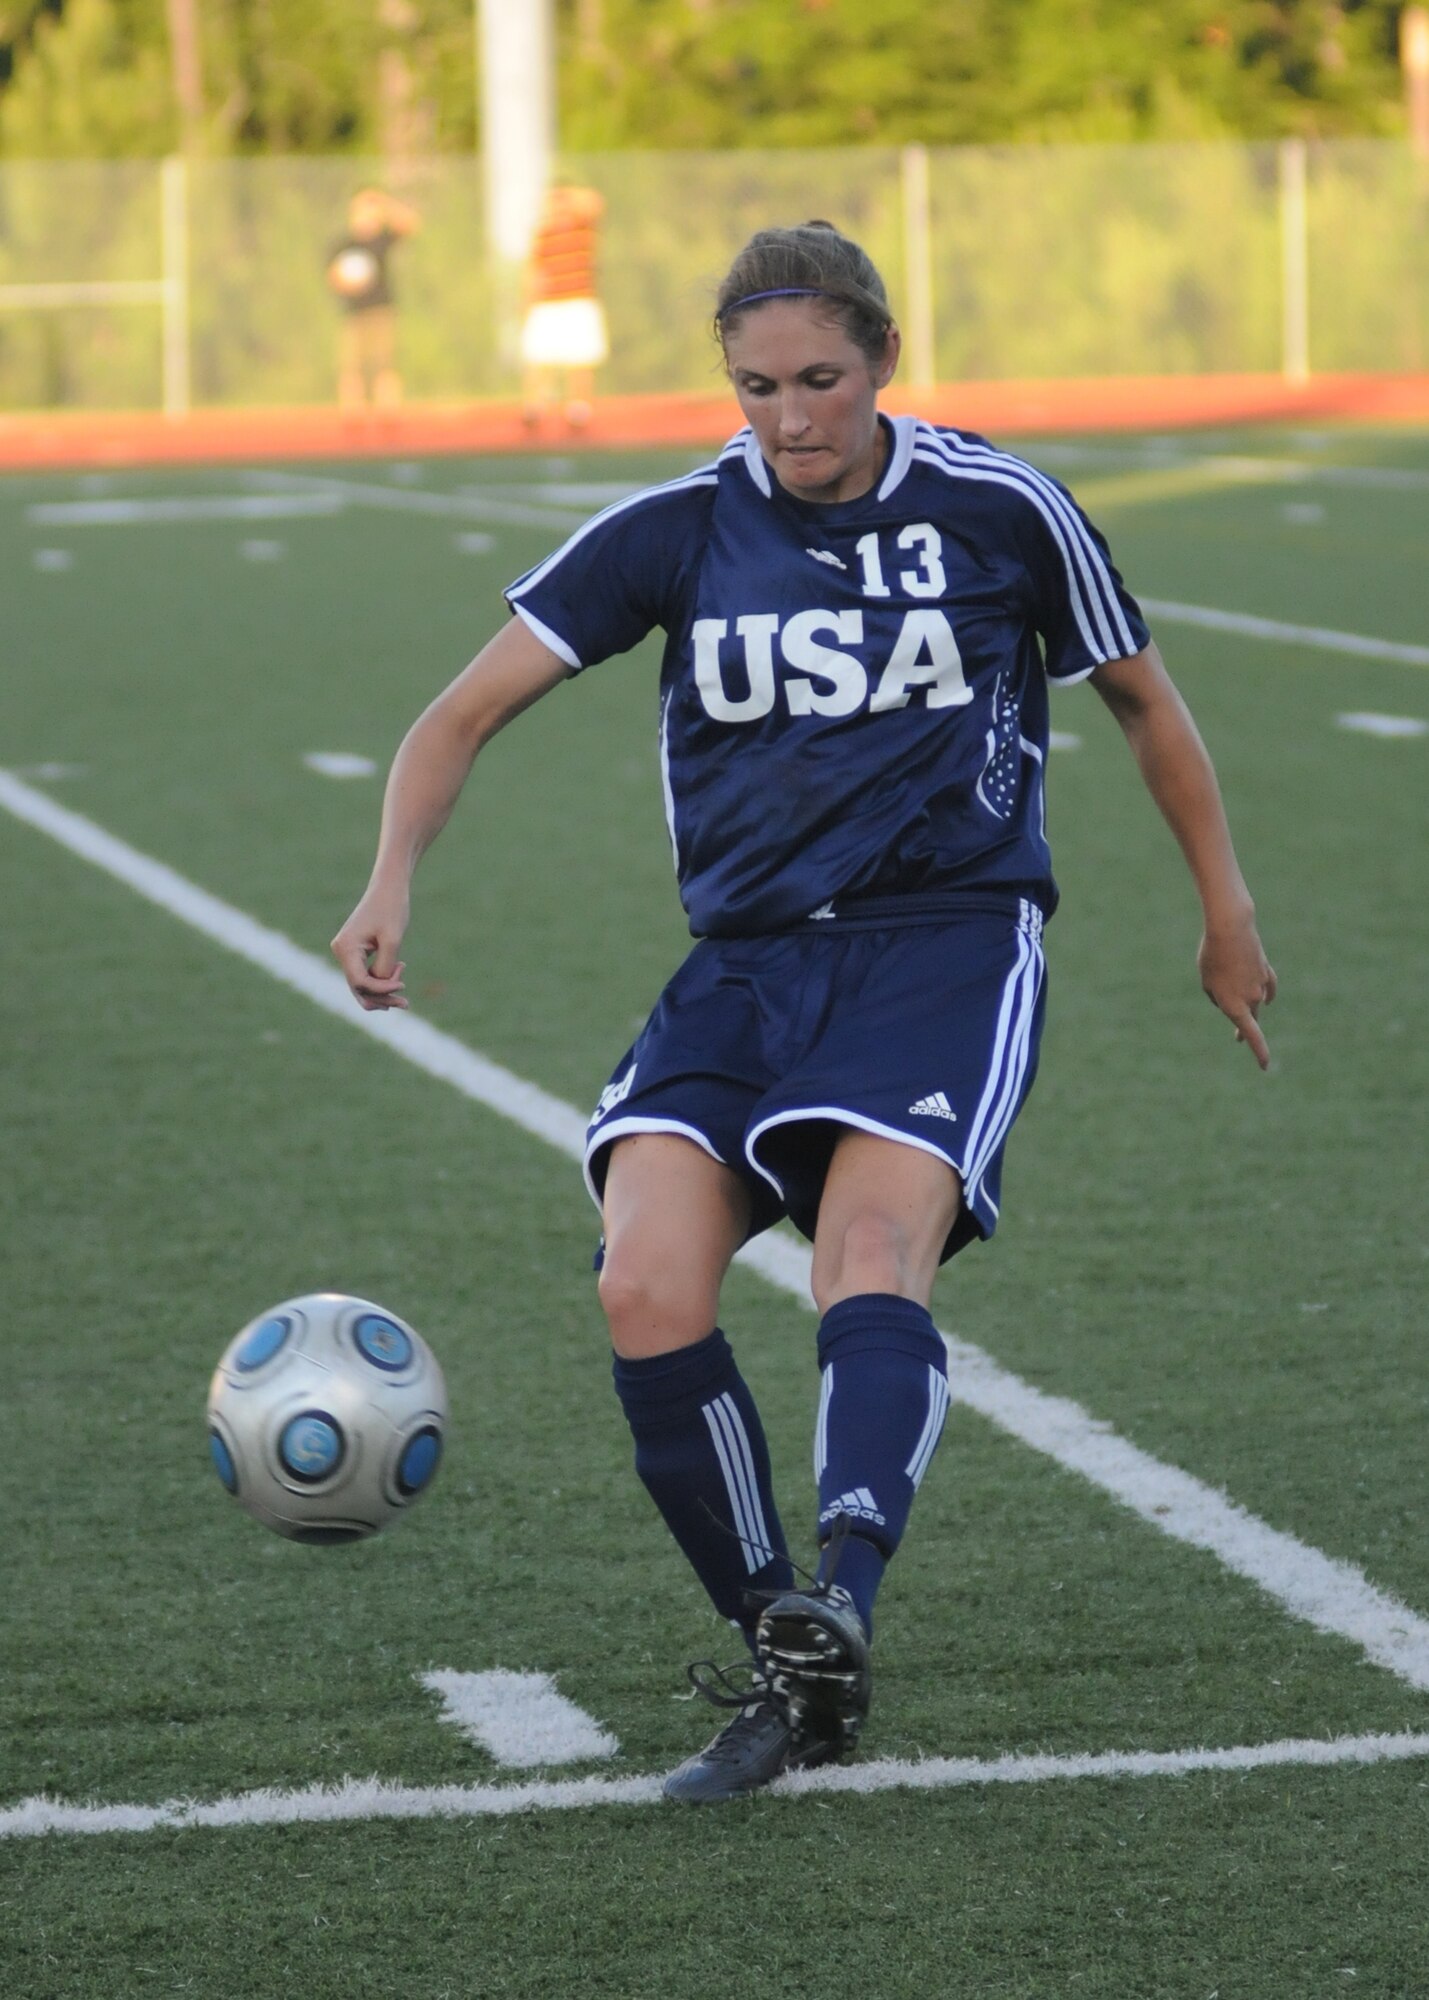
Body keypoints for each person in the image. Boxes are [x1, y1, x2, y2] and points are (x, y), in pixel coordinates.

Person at [332, 220, 1275, 1805]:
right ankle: (787, 1647)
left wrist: (1224, 909)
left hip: (946, 945)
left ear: (883, 362)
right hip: (749, 964)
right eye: (758, 385)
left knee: (868, 1254)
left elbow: (1140, 703)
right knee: (642, 1284)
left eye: (821, 381)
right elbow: (460, 713)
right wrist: (387, 884)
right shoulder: (680, 527)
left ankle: (843, 1585)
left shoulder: (999, 506)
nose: (790, 418)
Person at [520, 183, 609, 431]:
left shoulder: (582, 226)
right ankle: (535, 406)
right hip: (548, 303)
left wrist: (566, 194)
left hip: (577, 299)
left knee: (579, 357)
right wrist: (527, 301)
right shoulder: (544, 233)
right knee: (538, 357)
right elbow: (533, 271)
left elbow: (595, 203)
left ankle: (578, 407)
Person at [325, 187, 421, 412]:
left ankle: (389, 414)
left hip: (381, 311)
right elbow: (333, 276)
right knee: (351, 366)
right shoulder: (344, 244)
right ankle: (352, 415)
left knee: (385, 364)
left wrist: (384, 203)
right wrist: (348, 282)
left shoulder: (382, 240)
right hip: (354, 313)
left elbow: (410, 224)